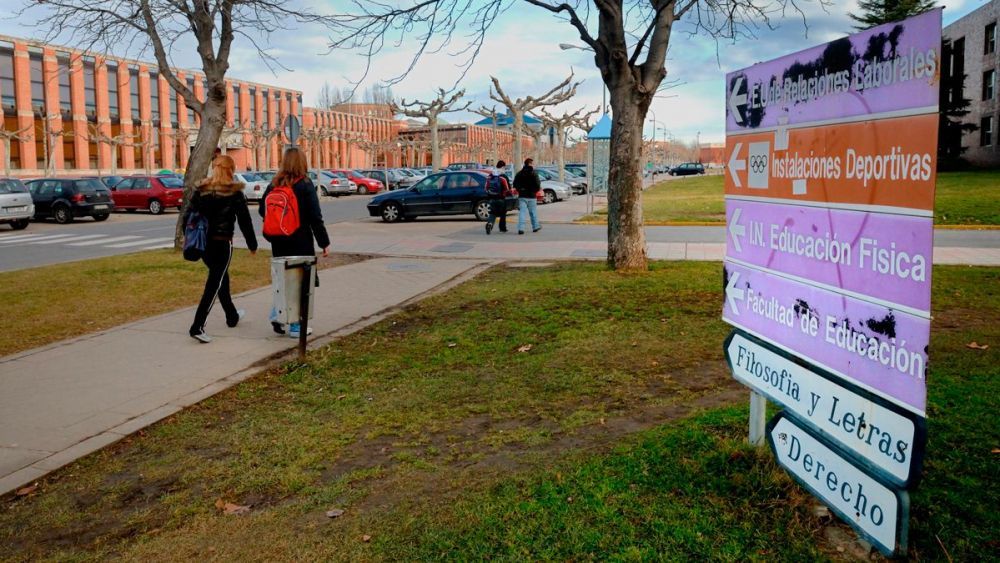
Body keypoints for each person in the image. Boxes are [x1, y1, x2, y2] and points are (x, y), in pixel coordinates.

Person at [259, 148, 331, 338]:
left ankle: (277, 314)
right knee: (300, 283)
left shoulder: (274, 183)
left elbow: (261, 210)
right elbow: (316, 217)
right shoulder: (305, 184)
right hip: (300, 240)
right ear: (302, 162)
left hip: (278, 240)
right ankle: (296, 327)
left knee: (283, 279)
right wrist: (324, 242)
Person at [187, 154, 258, 343]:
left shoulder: (202, 189)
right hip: (222, 243)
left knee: (221, 279)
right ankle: (197, 326)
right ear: (230, 170)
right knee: (214, 283)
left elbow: (188, 216)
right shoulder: (234, 192)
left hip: (204, 245)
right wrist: (253, 245)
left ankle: (232, 316)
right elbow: (245, 221)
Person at [513, 157, 542, 235]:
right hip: (532, 196)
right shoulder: (534, 174)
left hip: (522, 196)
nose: (534, 165)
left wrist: (520, 190)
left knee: (522, 212)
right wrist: (534, 191)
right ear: (530, 164)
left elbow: (515, 184)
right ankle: (535, 226)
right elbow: (538, 185)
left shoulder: (519, 173)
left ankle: (521, 228)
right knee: (533, 212)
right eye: (533, 163)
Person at [484, 159, 510, 235]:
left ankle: (490, 224)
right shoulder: (503, 177)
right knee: (503, 213)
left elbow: (485, 188)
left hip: (491, 198)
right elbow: (507, 188)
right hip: (501, 198)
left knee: (493, 213)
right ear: (503, 167)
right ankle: (502, 228)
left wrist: (489, 194)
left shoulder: (490, 176)